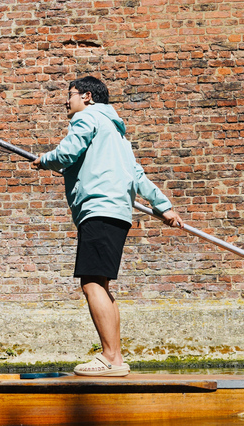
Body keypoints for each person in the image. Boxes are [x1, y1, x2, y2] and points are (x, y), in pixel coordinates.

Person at [32, 76, 183, 377]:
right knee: (101, 284)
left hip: (98, 210)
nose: (67, 101)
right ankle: (117, 358)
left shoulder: (87, 117)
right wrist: (163, 206)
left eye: (70, 94)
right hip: (118, 214)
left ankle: (110, 356)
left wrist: (45, 160)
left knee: (90, 283)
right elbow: (137, 176)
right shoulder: (117, 133)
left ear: (87, 96)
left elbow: (68, 152)